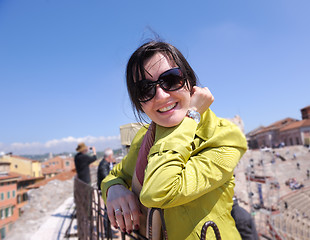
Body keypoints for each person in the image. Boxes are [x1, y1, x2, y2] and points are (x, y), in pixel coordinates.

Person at [101, 41, 247, 240]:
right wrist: (114, 189)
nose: (160, 95)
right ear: (139, 103)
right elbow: (116, 174)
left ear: (189, 80)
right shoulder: (144, 137)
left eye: (170, 79)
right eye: (145, 89)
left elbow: (160, 191)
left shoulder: (225, 136)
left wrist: (191, 116)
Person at [97, 148, 117, 238]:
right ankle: (107, 233)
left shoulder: (106, 163)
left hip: (106, 190)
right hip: (105, 191)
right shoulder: (103, 165)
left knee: (108, 210)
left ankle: (108, 230)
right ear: (109, 156)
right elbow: (106, 178)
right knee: (107, 211)